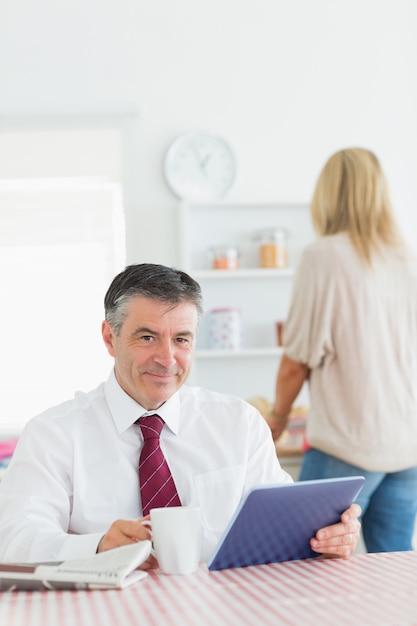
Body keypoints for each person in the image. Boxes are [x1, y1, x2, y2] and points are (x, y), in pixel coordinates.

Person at [0, 263, 361, 567]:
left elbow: (285, 524)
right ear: (110, 338)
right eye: (147, 337)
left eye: (182, 339)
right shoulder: (53, 434)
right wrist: (96, 547)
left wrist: (327, 538)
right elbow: (15, 537)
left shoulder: (239, 423)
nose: (167, 358)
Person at [266, 147, 417, 553]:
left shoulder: (324, 256)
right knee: (395, 574)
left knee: (307, 566)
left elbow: (295, 362)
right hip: (406, 448)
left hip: (346, 449)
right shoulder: (406, 258)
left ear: (329, 194)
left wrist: (277, 419)